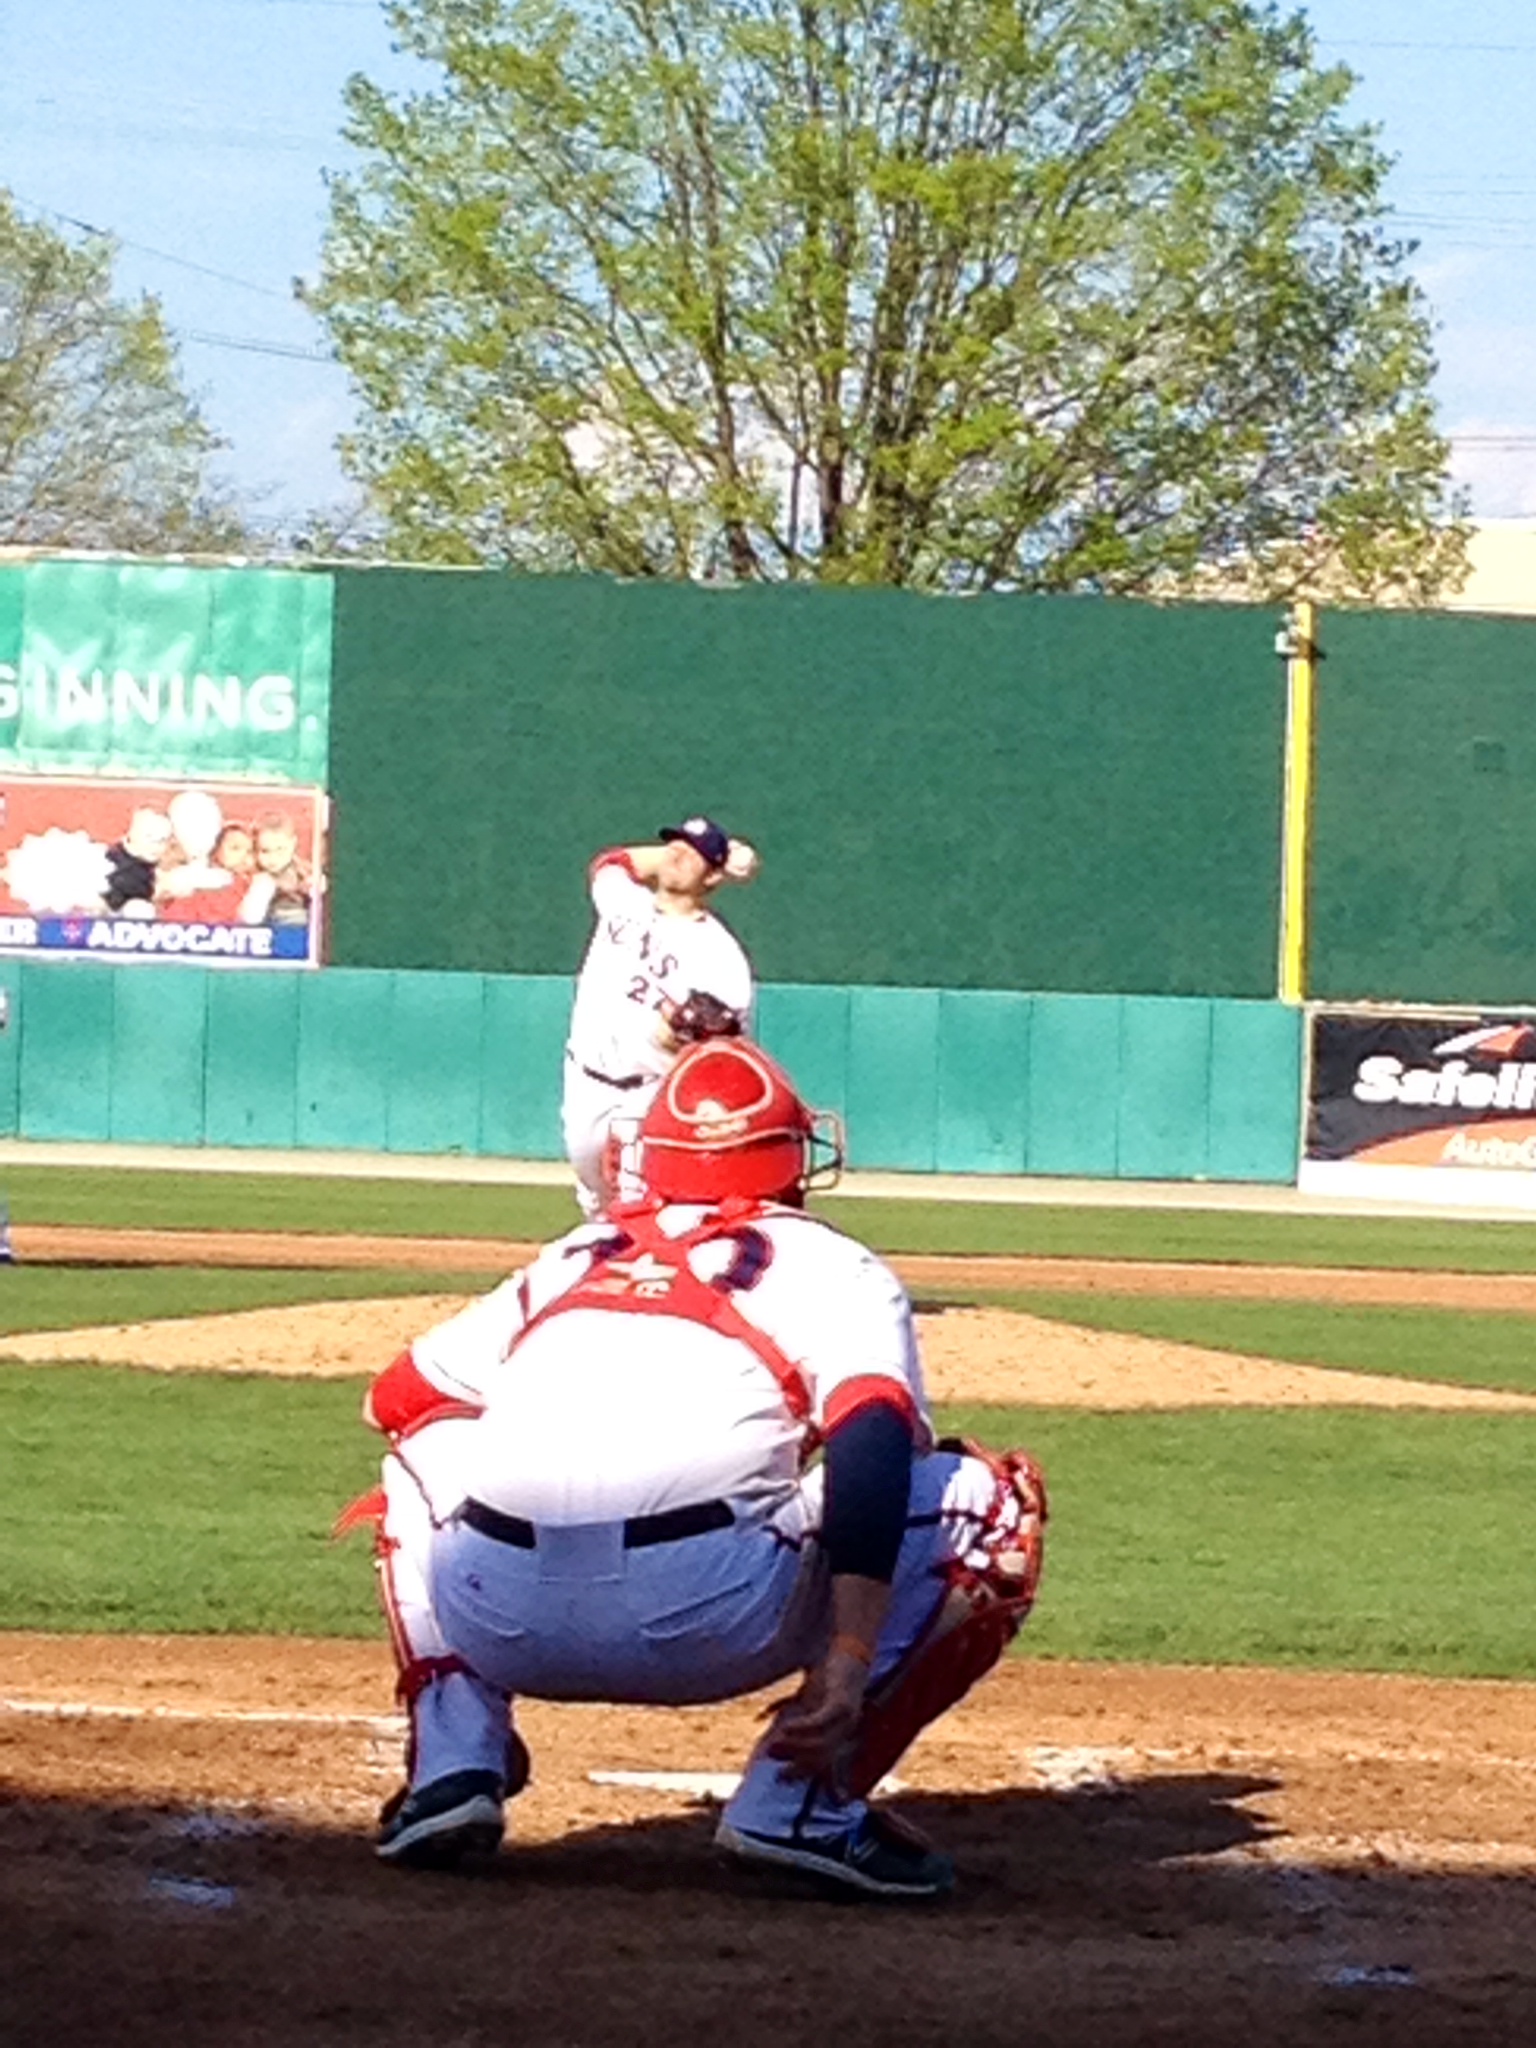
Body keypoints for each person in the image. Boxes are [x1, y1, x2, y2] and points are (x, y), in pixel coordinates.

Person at [351, 1038, 1048, 1902]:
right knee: (989, 1502)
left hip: (499, 1616)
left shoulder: (574, 1253)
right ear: (794, 1155)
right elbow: (871, 1447)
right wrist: (848, 1651)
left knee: (422, 1452)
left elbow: (395, 1398)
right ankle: (802, 1804)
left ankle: (450, 1766)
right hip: (709, 1621)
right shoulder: (831, 1262)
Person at [562, 814, 759, 1217]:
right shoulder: (623, 900)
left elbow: (721, 1041)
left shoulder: (721, 955)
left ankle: (648, 1269)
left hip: (649, 1091)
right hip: (585, 1079)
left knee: (635, 1199)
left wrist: (681, 1034)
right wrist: (712, 853)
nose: (678, 853)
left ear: (712, 878)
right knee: (595, 1201)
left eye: (694, 854)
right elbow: (611, 862)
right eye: (675, 845)